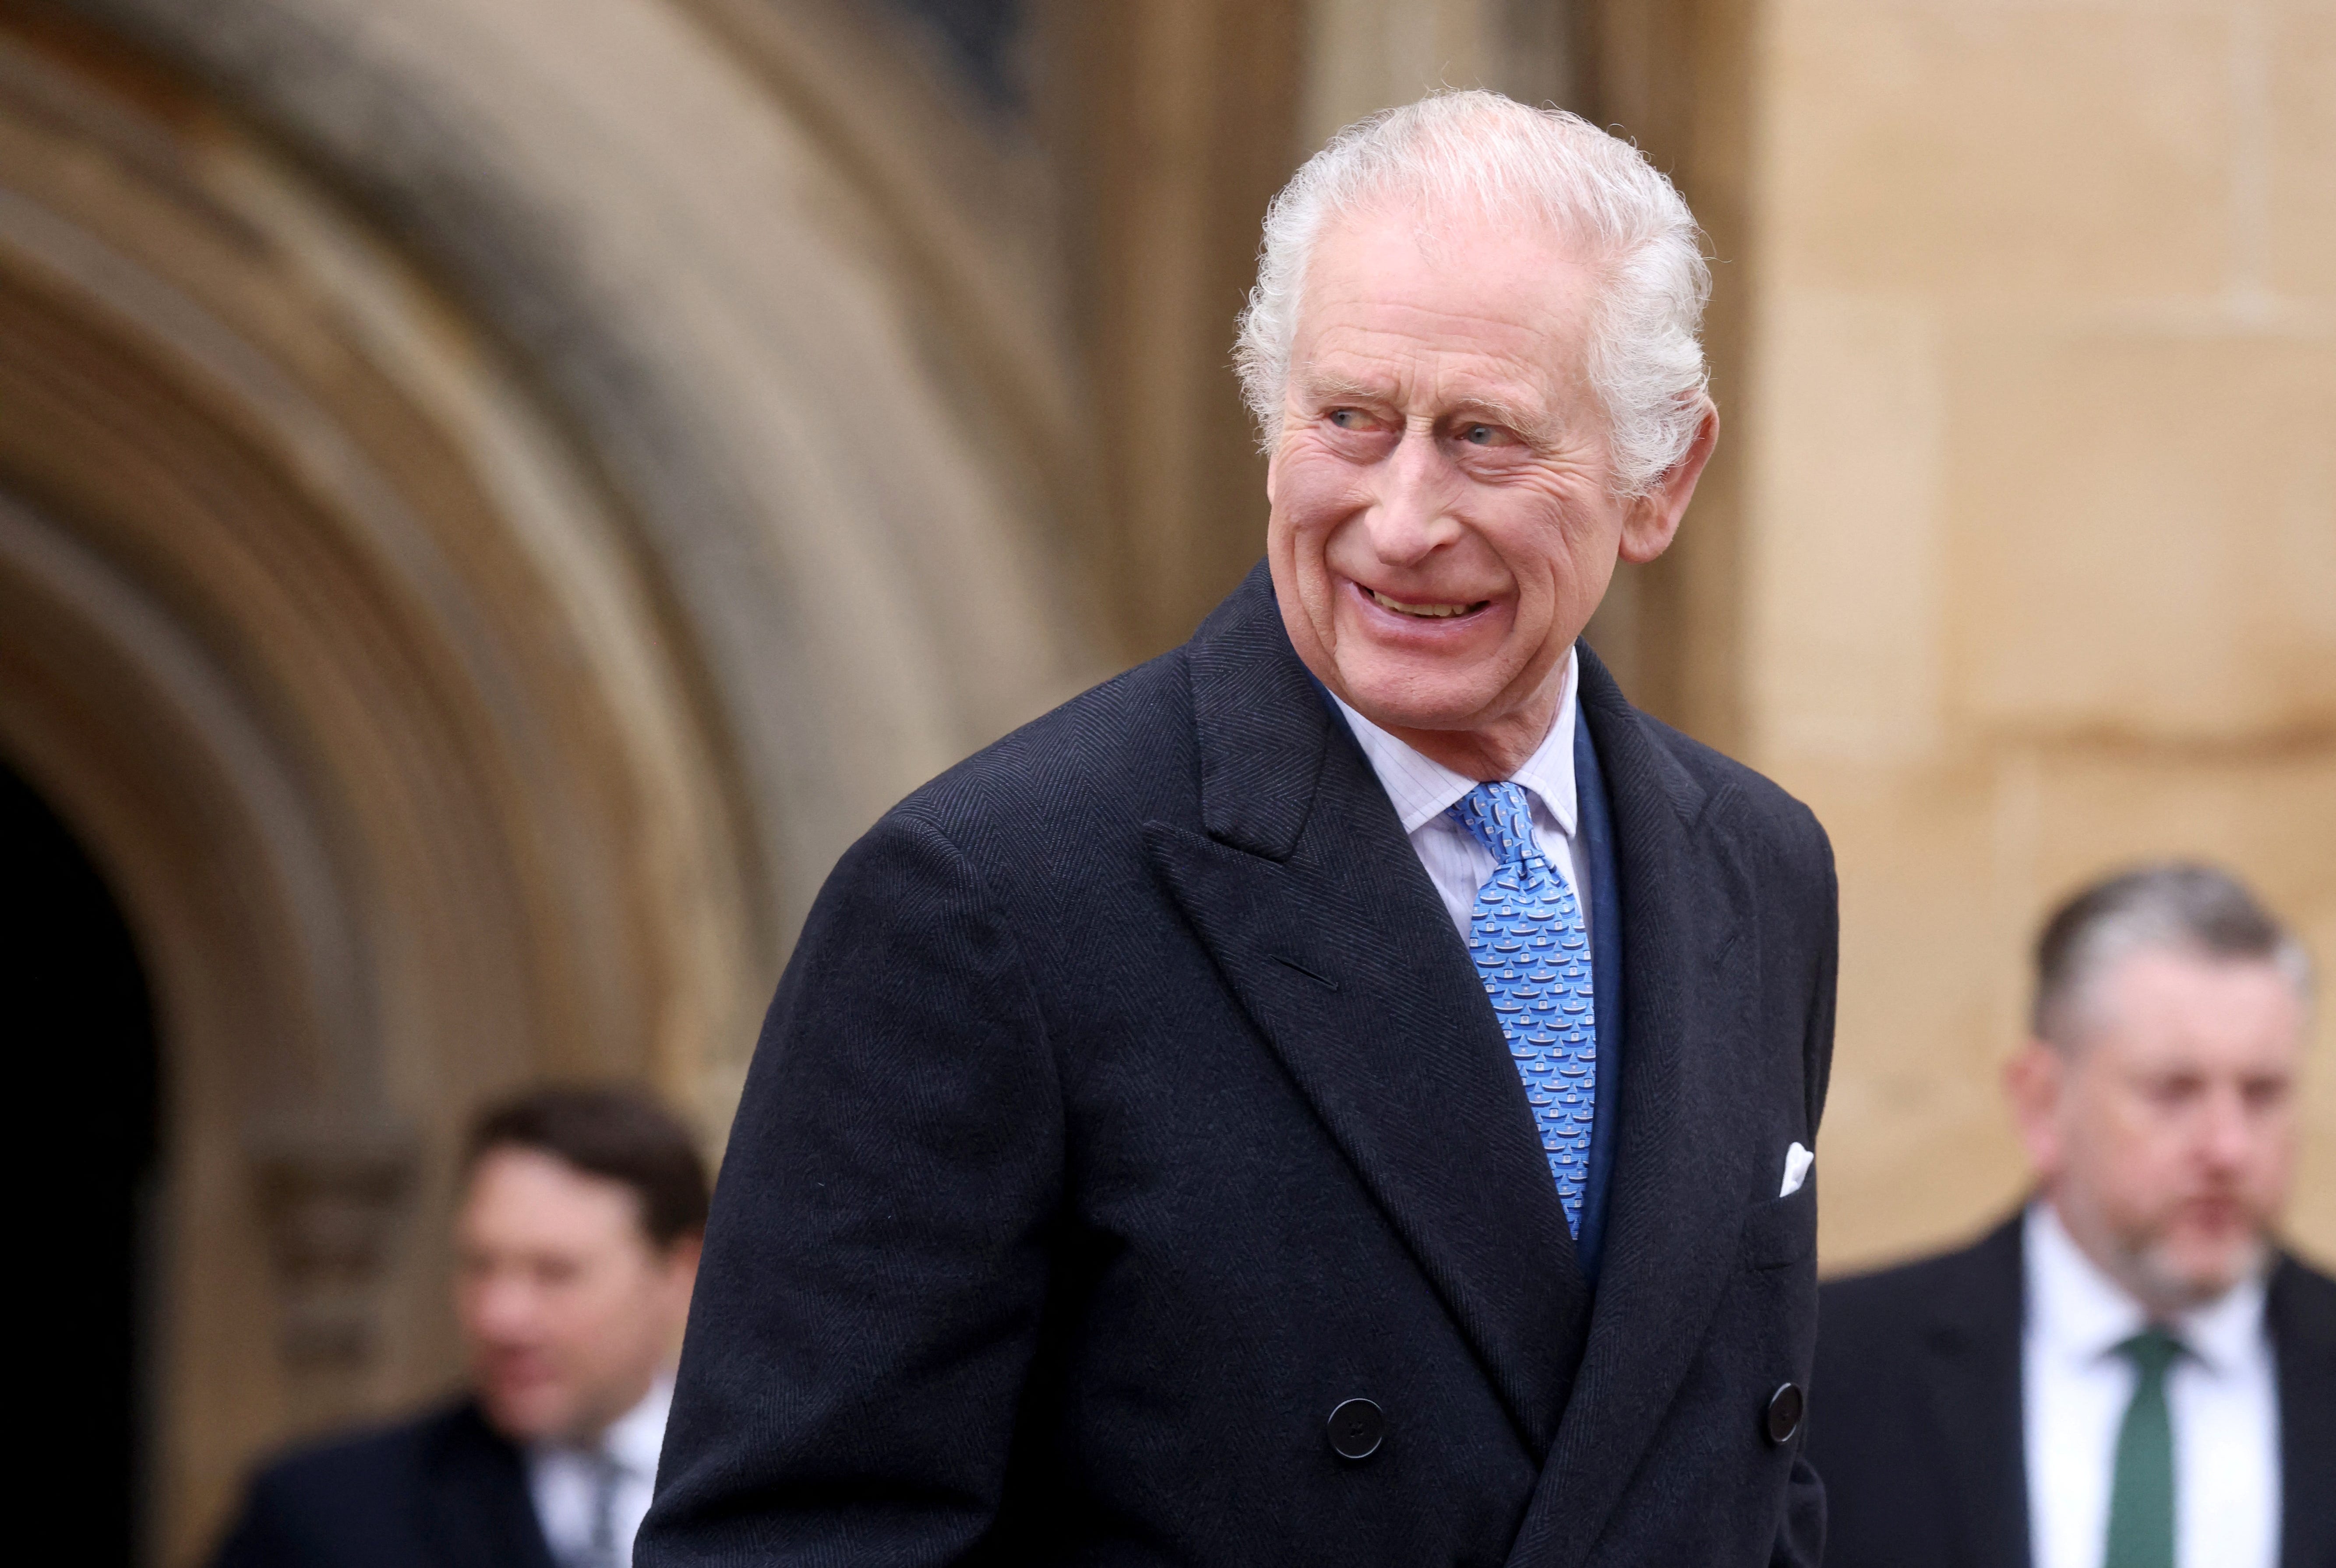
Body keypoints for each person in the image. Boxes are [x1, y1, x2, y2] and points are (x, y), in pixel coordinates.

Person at [643, 91, 1837, 1567]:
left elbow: (1740, 1483)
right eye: (1349, 420)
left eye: (1481, 438)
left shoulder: (1760, 870)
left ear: (1659, 481)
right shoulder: (991, 899)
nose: (1400, 520)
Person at [1810, 864, 2335, 1568]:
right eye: (2172, 1091)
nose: (2228, 1147)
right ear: (2039, 1103)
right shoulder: (1832, 1369)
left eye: (2262, 1093)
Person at [212, 1085, 706, 1568]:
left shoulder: (764, 1497)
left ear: (681, 1272)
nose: (500, 1317)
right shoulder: (324, 1511)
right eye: (480, 1265)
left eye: (555, 1272)